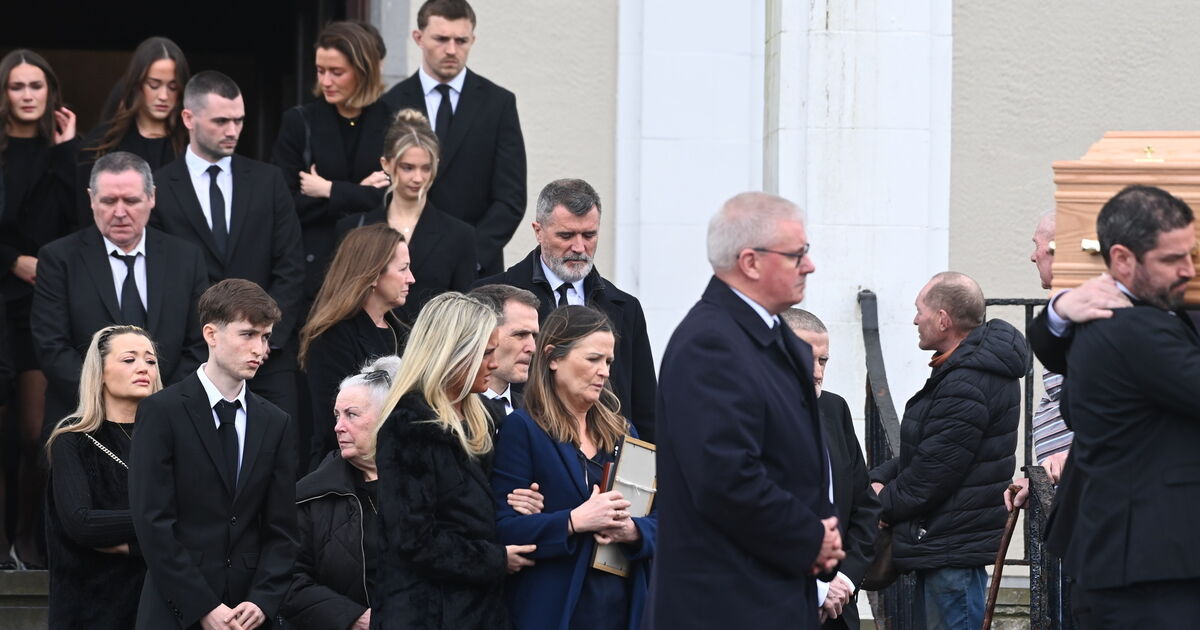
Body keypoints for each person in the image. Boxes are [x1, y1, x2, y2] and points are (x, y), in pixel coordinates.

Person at [647, 192, 842, 629]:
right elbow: (725, 479)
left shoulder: (778, 338)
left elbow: (801, 463)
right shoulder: (709, 344)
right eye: (797, 255)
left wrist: (827, 531)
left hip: (775, 591)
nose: (809, 265)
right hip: (724, 603)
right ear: (750, 262)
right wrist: (812, 537)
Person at [1027, 185, 1200, 626]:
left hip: (1137, 554)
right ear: (1122, 259)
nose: (1188, 270)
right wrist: (1060, 308)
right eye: (1171, 259)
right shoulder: (1132, 328)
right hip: (1149, 562)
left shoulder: (1153, 311)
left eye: (1191, 254)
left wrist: (1058, 310)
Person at [129, 279, 298, 630]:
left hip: (250, 613)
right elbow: (152, 522)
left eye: (265, 337)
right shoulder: (163, 411)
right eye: (248, 334)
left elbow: (282, 528)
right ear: (211, 334)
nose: (260, 349)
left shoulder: (275, 421)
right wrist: (203, 605)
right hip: (175, 610)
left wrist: (263, 599)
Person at [148, 70, 306, 443]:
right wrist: (206, 342)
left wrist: (261, 339)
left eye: (238, 120)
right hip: (192, 359)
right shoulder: (160, 187)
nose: (233, 130)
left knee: (280, 465)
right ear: (189, 118)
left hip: (268, 360)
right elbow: (162, 278)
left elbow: (291, 268)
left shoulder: (268, 181)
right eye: (221, 120)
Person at [868, 272, 1027, 630]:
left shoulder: (967, 381)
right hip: (946, 547)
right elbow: (933, 450)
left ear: (943, 319)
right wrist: (878, 478)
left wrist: (880, 505)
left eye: (919, 311)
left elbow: (932, 473)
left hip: (951, 554)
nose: (914, 320)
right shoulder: (964, 370)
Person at [372, 292, 536, 629]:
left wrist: (519, 501)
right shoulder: (409, 424)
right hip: (427, 614)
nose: (493, 363)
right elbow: (413, 538)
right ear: (454, 353)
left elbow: (486, 503)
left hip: (483, 610)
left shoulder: (488, 418)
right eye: (486, 353)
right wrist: (496, 558)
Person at [491, 305, 656, 630]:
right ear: (553, 357)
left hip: (623, 606)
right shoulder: (522, 429)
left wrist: (634, 531)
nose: (605, 371)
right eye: (593, 359)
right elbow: (504, 531)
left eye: (608, 361)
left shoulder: (623, 431)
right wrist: (573, 521)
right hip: (555, 608)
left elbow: (662, 519)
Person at [33, 151, 208, 446]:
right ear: (91, 199)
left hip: (170, 418)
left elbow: (200, 342)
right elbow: (51, 345)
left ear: (152, 197)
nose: (120, 212)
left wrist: (159, 400)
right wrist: (109, 398)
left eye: (131, 200)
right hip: (82, 419)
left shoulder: (186, 259)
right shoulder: (58, 259)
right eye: (108, 201)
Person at [476, 179, 657, 441]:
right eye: (566, 235)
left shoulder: (626, 308)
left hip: (605, 462)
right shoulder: (490, 296)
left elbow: (645, 408)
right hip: (519, 455)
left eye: (589, 235)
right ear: (538, 231)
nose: (579, 247)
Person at [0, 48, 80, 570]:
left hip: (40, 305)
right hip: (1, 294)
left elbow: (80, 225)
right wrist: (13, 261)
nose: (28, 95)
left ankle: (26, 540)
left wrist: (68, 152)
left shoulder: (63, 156)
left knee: (34, 433)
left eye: (36, 86)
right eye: (17, 86)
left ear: (50, 92)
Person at [380, 0, 526, 276]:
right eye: (441, 39)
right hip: (402, 266)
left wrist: (471, 255)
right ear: (418, 38)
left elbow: (511, 199)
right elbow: (382, 186)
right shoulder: (390, 103)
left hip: (475, 268)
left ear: (473, 39)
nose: (451, 50)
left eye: (461, 40)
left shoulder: (498, 104)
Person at [44, 325, 162, 629]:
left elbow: (200, 524)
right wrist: (160, 525)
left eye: (150, 361)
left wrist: (129, 545)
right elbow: (82, 524)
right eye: (129, 359)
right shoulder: (72, 441)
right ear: (100, 371)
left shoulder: (172, 441)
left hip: (159, 603)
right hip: (90, 609)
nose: (143, 368)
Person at [271, 21, 392, 305]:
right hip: (314, 274)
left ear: (363, 72)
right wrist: (358, 191)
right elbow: (285, 204)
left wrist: (328, 189)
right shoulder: (299, 122)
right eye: (320, 70)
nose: (325, 81)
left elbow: (389, 200)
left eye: (337, 72)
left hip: (376, 270)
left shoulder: (393, 121)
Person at [283, 355, 401, 630]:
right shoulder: (311, 495)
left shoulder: (426, 482)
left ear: (387, 418)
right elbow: (288, 580)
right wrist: (352, 617)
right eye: (337, 415)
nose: (338, 426)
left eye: (352, 415)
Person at [781, 308, 880, 630]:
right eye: (806, 359)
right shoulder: (746, 417)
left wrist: (846, 581)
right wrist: (815, 589)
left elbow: (864, 506)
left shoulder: (834, 409)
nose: (817, 372)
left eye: (823, 361)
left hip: (837, 610)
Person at [335, 108, 476, 324]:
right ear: (386, 164)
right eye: (408, 168)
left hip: (433, 351)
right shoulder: (354, 228)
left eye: (426, 168)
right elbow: (339, 298)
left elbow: (466, 312)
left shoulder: (459, 235)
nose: (417, 178)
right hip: (366, 349)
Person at [299, 223, 413, 467]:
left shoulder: (404, 334)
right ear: (373, 274)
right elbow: (334, 425)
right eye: (403, 269)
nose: (411, 278)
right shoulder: (331, 337)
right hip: (347, 476)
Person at [77, 36, 190, 217]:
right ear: (137, 85)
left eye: (173, 87)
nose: (163, 95)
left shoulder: (192, 144)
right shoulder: (101, 143)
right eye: (153, 85)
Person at [467, 283, 540, 416]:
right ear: (483, 333)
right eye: (520, 334)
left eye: (534, 336)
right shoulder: (444, 413)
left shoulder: (536, 415)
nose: (532, 348)